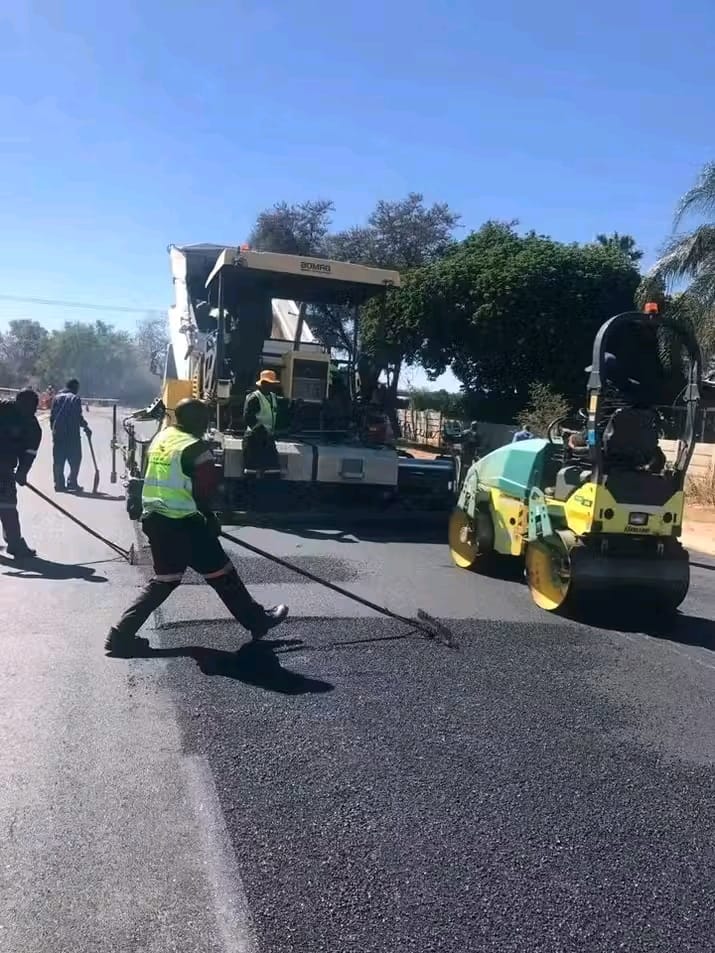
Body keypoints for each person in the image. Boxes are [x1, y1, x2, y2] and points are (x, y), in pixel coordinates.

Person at [105, 398, 288, 657]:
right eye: (204, 420)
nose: (206, 425)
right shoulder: (196, 448)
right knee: (221, 573)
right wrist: (210, 518)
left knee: (167, 580)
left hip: (156, 519)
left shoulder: (163, 437)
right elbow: (204, 492)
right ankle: (258, 621)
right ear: (197, 420)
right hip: (186, 523)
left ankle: (121, 635)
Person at [0, 389, 42, 558]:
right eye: (23, 405)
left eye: (31, 407)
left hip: (5, 468)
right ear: (17, 402)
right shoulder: (3, 408)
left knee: (7, 505)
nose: (27, 409)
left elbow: (30, 453)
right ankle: (15, 543)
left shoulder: (33, 428)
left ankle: (14, 543)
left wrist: (22, 472)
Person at [50, 379, 91, 492]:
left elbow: (52, 416)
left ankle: (59, 484)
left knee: (58, 460)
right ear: (75, 387)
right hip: (72, 435)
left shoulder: (56, 398)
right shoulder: (75, 398)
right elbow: (78, 416)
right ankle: (72, 482)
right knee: (76, 459)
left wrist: (54, 431)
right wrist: (86, 427)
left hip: (58, 434)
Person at [242, 369, 281, 475]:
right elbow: (248, 418)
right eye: (268, 383)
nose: (271, 386)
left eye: (272, 384)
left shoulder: (273, 397)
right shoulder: (254, 397)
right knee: (252, 471)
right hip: (254, 439)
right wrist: (262, 432)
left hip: (268, 439)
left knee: (272, 470)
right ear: (262, 384)